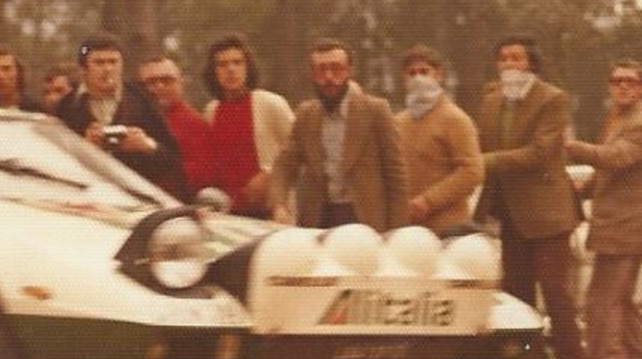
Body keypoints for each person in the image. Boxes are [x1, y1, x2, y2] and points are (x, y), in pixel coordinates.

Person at [474, 35, 587, 359]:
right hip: (510, 214)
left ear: (532, 65)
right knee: (517, 299)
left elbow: (540, 153)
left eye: (517, 58)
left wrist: (485, 162)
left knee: (556, 295)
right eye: (503, 58)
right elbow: (480, 148)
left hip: (549, 214)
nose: (510, 65)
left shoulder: (552, 99)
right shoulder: (491, 103)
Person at [564, 58, 642, 359]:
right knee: (619, 298)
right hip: (621, 222)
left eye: (630, 82)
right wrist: (587, 187)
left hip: (627, 225)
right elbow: (612, 166)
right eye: (617, 81)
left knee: (602, 299)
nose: (622, 87)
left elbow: (615, 158)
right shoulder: (620, 119)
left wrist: (568, 146)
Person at [270, 39, 407, 231]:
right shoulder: (306, 114)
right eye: (321, 70)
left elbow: (396, 177)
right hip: (319, 220)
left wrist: (396, 233)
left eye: (336, 69)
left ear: (349, 71)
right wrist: (279, 205)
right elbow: (284, 165)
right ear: (312, 74)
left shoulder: (376, 110)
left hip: (366, 222)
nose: (329, 77)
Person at [54, 33, 187, 199]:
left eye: (113, 62)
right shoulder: (67, 105)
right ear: (83, 69)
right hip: (85, 197)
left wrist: (147, 145)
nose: (108, 69)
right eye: (99, 62)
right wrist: (84, 147)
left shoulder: (142, 98)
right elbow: (53, 162)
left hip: (134, 197)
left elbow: (173, 157)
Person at [393, 44, 483, 234]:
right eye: (412, 73)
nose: (418, 78)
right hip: (407, 229)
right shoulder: (398, 122)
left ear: (439, 74)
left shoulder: (456, 119)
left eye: (425, 71)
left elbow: (472, 171)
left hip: (448, 227)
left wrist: (428, 201)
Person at [202, 34, 294, 218]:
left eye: (237, 62)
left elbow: (296, 152)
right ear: (214, 72)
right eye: (222, 64)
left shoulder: (271, 103)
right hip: (230, 214)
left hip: (272, 212)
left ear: (248, 67)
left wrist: (269, 174)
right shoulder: (211, 112)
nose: (231, 70)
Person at [139, 54, 215, 195]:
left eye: (167, 80)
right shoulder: (131, 119)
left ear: (181, 83)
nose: (159, 86)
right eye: (151, 82)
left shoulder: (196, 124)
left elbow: (205, 175)